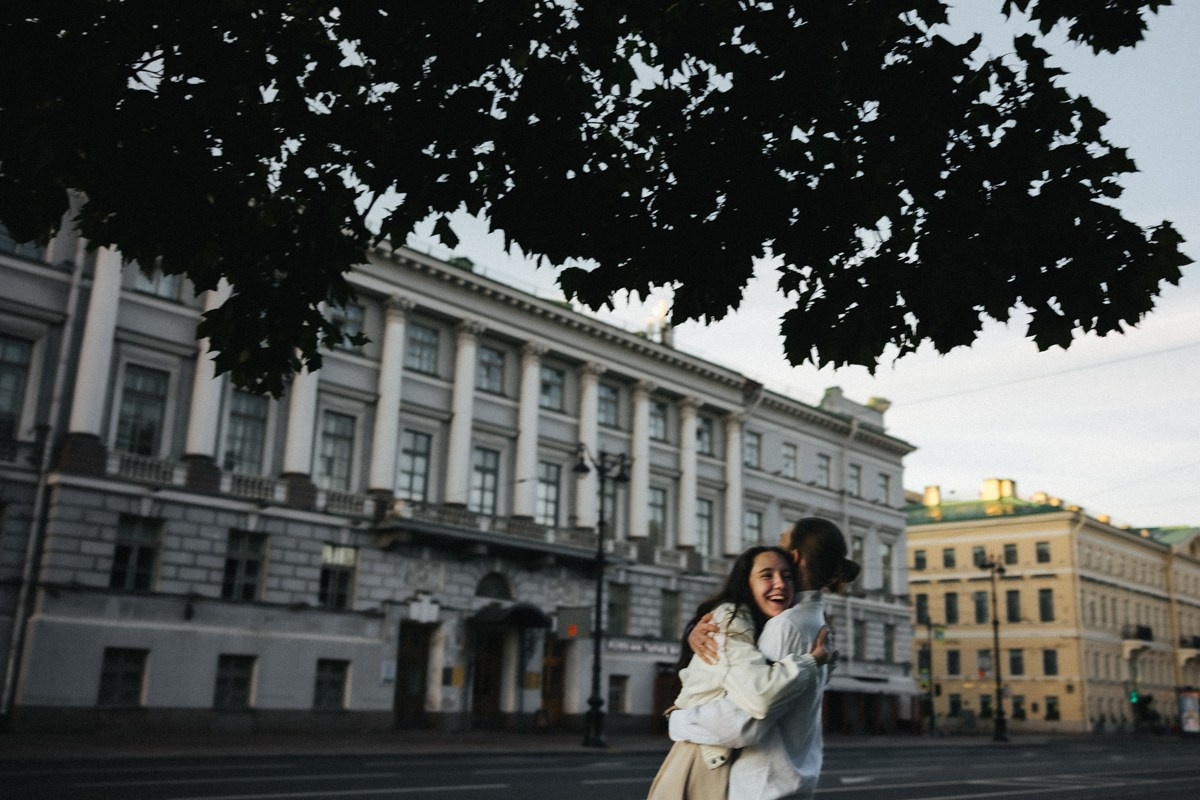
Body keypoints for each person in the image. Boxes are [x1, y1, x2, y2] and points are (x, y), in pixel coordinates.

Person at [670, 518, 860, 800]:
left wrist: (678, 721)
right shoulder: (818, 623)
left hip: (761, 786)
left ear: (794, 557)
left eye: (782, 541)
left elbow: (747, 721)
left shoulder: (785, 626)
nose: (777, 546)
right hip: (791, 782)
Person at [647, 545, 833, 800]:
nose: (779, 583)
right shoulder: (730, 619)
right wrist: (811, 661)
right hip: (703, 760)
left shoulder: (772, 627)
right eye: (766, 575)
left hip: (716, 755)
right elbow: (760, 698)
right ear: (746, 584)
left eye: (787, 576)